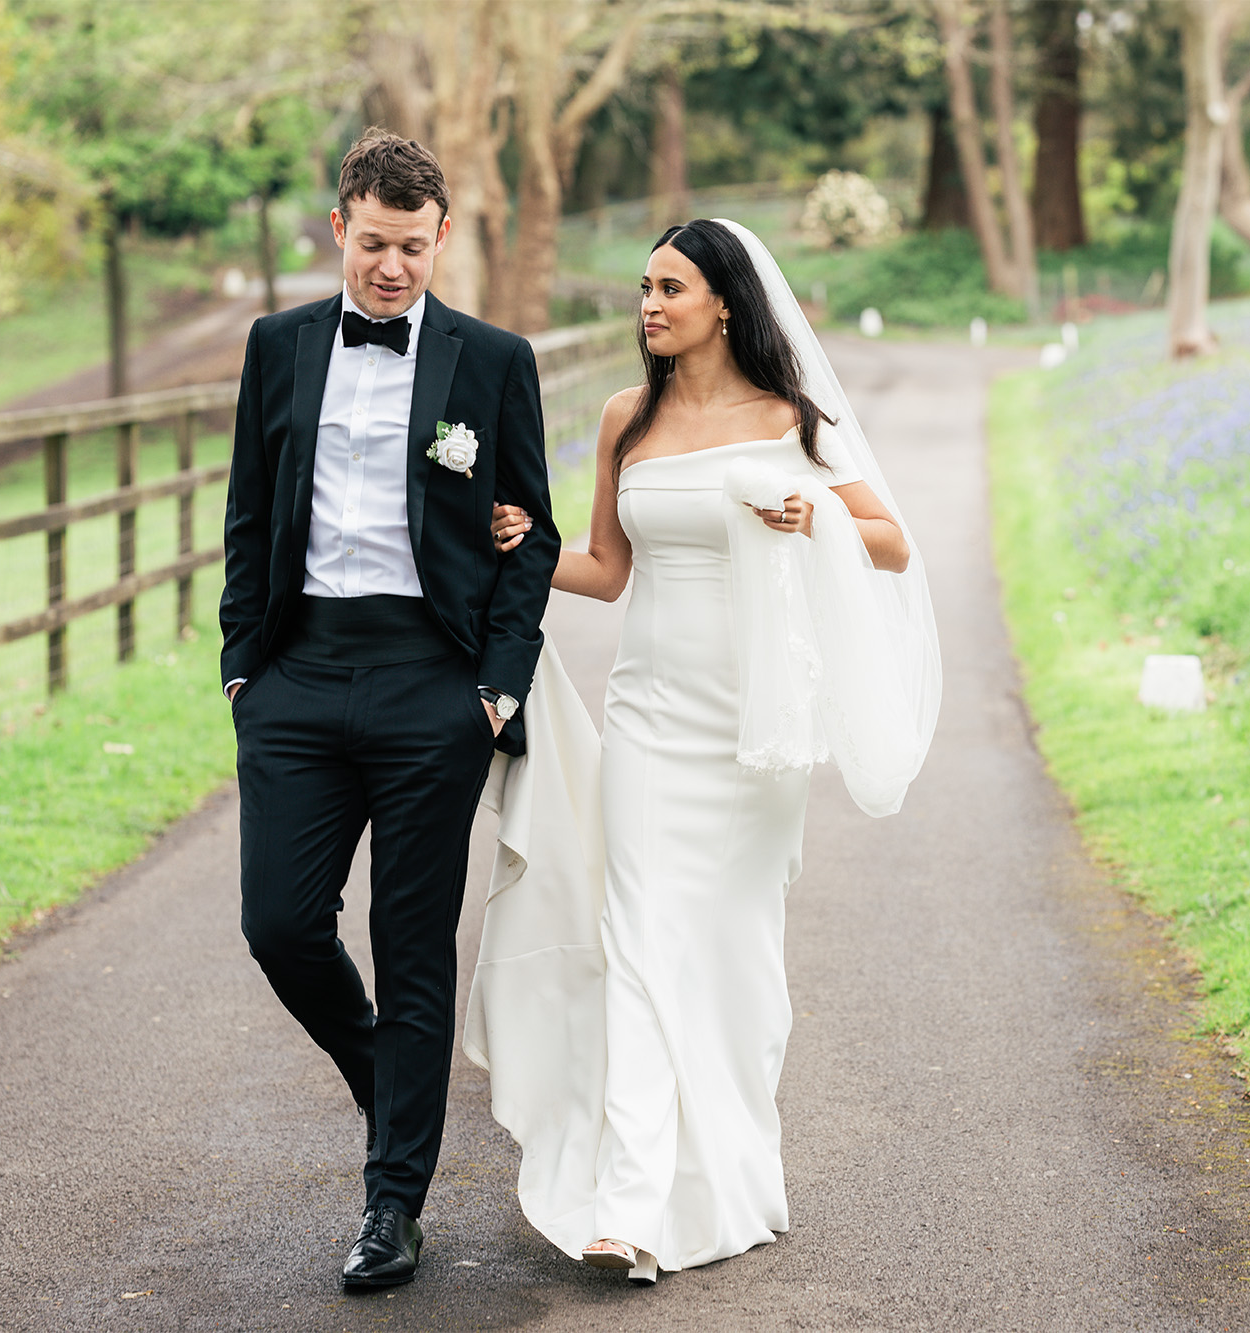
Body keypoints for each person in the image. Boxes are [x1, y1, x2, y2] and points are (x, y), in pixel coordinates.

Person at [480, 218, 939, 1284]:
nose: (648, 305)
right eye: (642, 287)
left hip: (754, 727)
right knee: (638, 942)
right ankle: (630, 1207)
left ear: (723, 301)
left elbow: (890, 542)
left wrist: (808, 509)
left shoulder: (790, 418)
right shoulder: (622, 419)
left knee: (731, 960)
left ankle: (729, 1171)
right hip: (647, 717)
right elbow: (604, 567)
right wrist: (519, 545)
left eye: (670, 287)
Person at [219, 128, 560, 1290]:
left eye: (413, 249)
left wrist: (497, 687)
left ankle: (391, 1207)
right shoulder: (277, 347)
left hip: (431, 685)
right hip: (299, 677)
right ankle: (393, 1091)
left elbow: (533, 531)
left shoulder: (492, 360)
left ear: (442, 238)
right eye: (373, 245)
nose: (392, 270)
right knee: (280, 924)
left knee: (413, 948)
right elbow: (249, 520)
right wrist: (239, 670)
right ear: (337, 230)